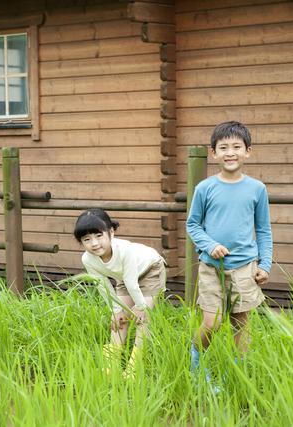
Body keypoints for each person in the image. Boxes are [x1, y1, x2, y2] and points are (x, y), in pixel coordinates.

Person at [186, 121, 273, 379]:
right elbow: (192, 224)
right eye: (223, 147)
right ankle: (196, 363)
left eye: (237, 146)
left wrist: (265, 264)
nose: (230, 152)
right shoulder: (205, 188)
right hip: (212, 268)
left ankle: (237, 372)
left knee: (241, 323)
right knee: (212, 322)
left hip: (246, 267)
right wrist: (210, 245)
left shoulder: (257, 189)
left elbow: (264, 230)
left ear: (248, 151)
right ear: (214, 153)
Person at [73, 208, 166, 377]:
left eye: (98, 236)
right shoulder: (88, 258)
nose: (94, 243)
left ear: (111, 232)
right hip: (125, 277)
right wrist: (116, 311)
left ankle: (134, 367)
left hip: (150, 269)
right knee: (118, 319)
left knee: (142, 318)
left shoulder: (124, 250)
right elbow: (103, 285)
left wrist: (140, 306)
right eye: (87, 239)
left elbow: (132, 282)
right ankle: (111, 365)